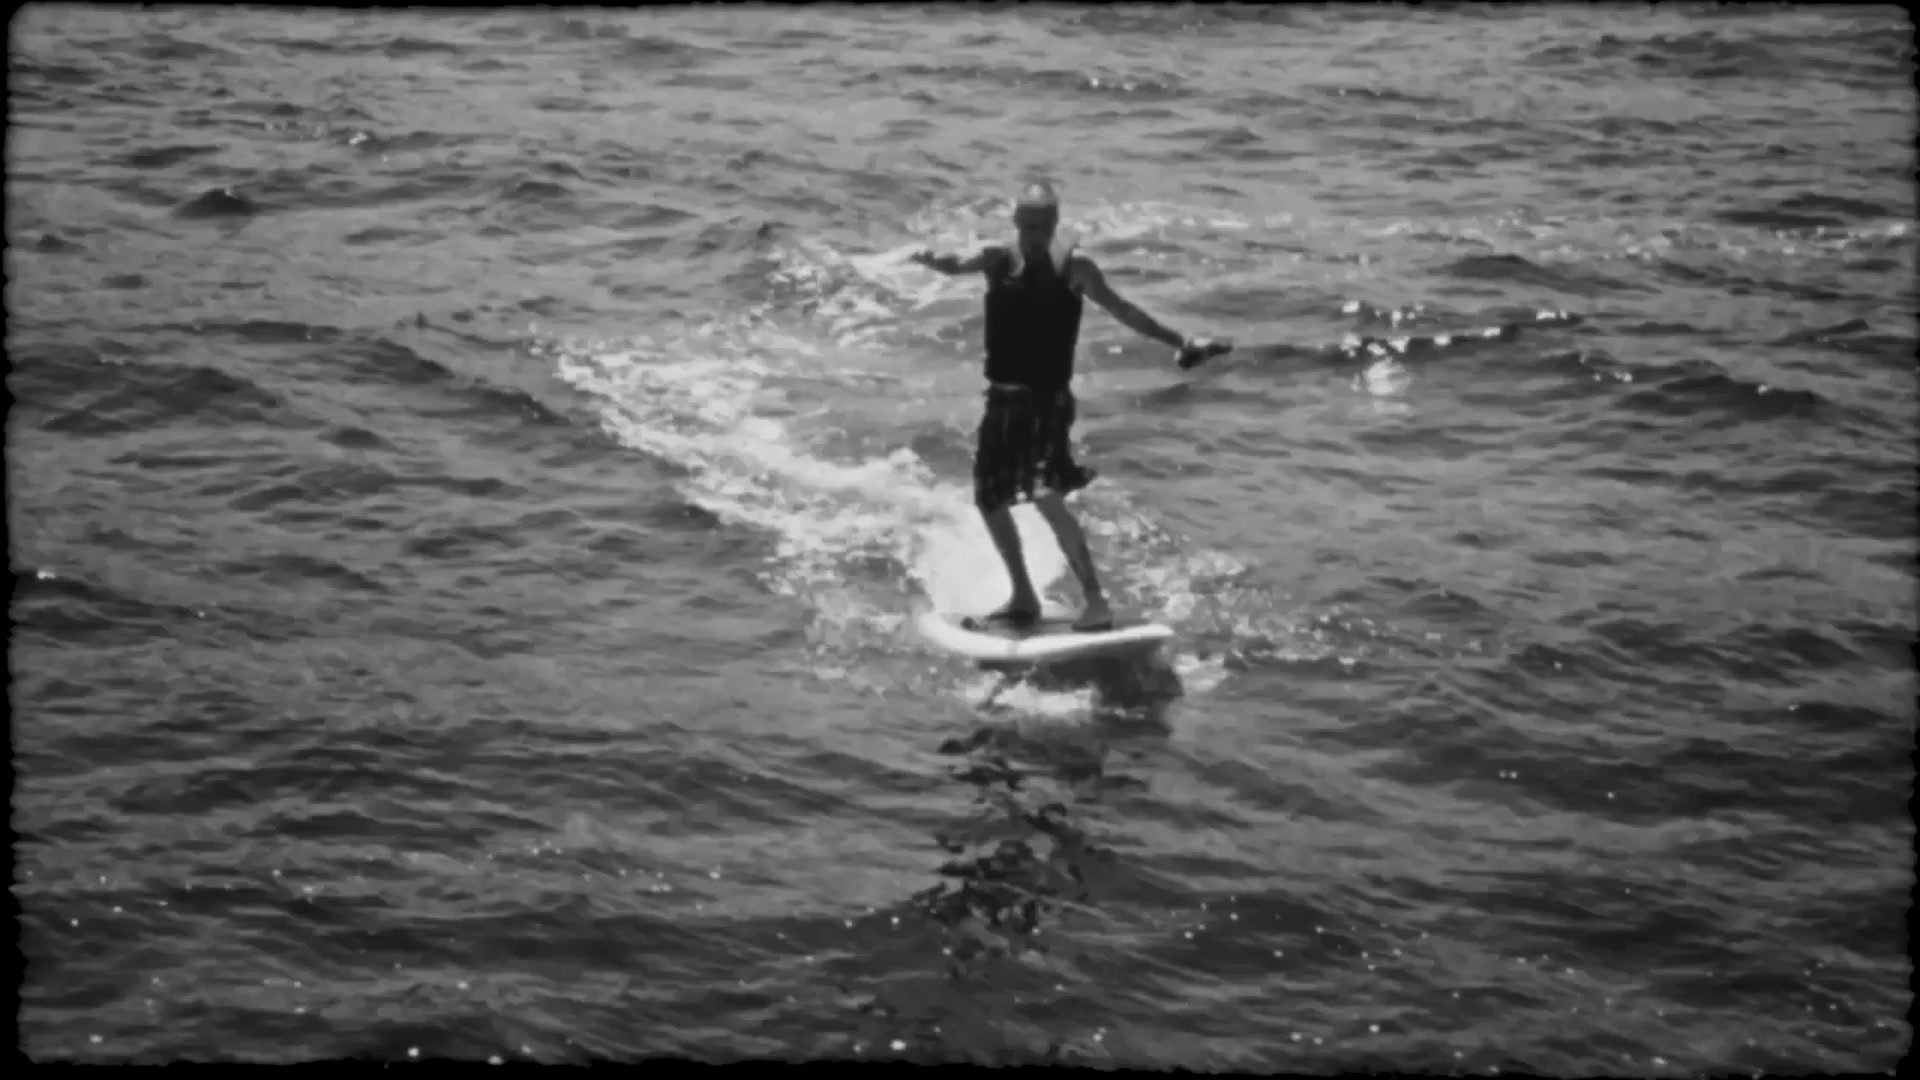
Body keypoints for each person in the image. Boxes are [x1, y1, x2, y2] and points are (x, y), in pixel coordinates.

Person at [911, 182, 1231, 632]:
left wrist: (1179, 341)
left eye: (1043, 228)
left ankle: (1096, 601)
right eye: (1028, 227)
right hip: (1001, 401)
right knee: (990, 498)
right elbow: (956, 264)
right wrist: (932, 259)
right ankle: (1023, 596)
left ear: (1055, 225)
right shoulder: (996, 259)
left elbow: (1124, 311)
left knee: (1046, 496)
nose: (1034, 236)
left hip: (1048, 403)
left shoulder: (1074, 267)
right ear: (1016, 222)